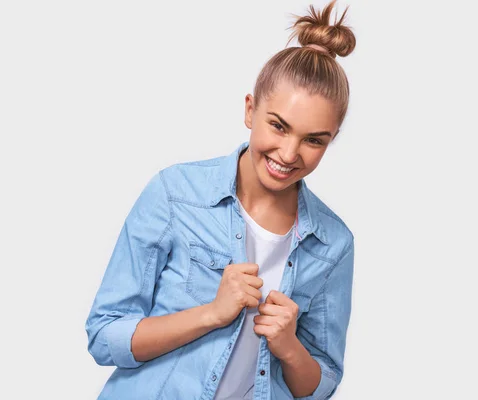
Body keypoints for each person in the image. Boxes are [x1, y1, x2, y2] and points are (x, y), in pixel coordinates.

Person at [85, 1, 357, 399]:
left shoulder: (334, 243)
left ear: (330, 140)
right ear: (251, 110)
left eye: (314, 140)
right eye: (278, 126)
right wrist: (211, 314)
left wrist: (290, 347)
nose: (288, 153)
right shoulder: (175, 194)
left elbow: (321, 383)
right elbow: (104, 334)